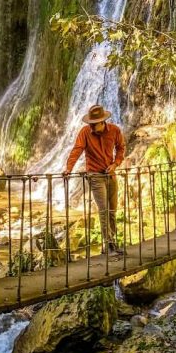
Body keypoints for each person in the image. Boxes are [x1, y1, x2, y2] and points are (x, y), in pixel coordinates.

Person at [63, 104, 126, 256]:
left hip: (110, 174)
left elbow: (121, 147)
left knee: (112, 211)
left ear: (102, 122)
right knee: (104, 210)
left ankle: (112, 244)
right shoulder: (85, 132)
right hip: (95, 175)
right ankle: (109, 245)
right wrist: (69, 168)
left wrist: (115, 164)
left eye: (94, 124)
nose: (91, 126)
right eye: (90, 124)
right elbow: (77, 150)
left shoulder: (115, 130)